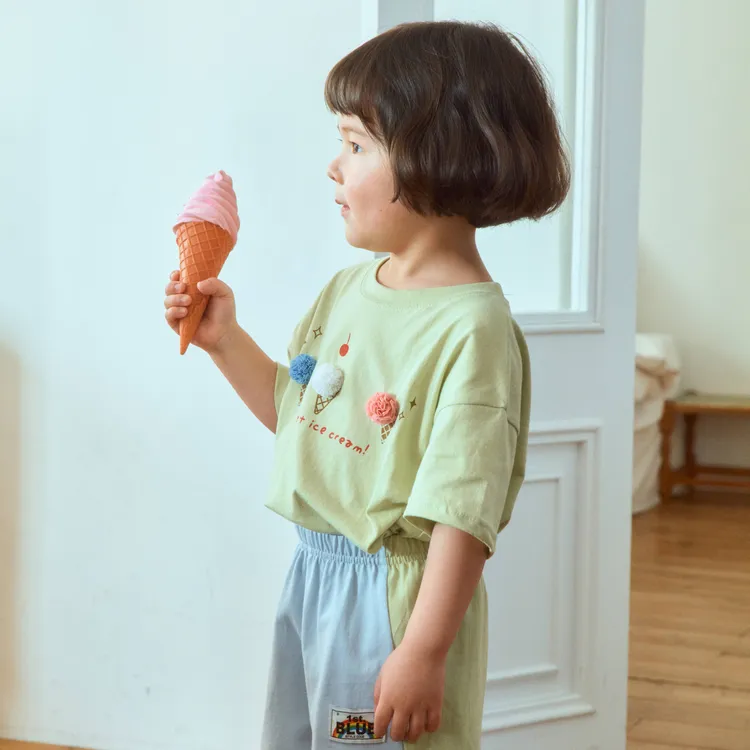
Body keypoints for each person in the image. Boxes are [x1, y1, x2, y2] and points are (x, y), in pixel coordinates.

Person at [164, 20, 569, 750]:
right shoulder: (349, 290)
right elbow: (298, 414)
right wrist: (225, 340)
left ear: (435, 155)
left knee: (365, 741)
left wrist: (422, 651)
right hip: (314, 577)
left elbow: (461, 516)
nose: (333, 166)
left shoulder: (472, 331)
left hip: (390, 605)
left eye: (355, 144)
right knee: (307, 736)